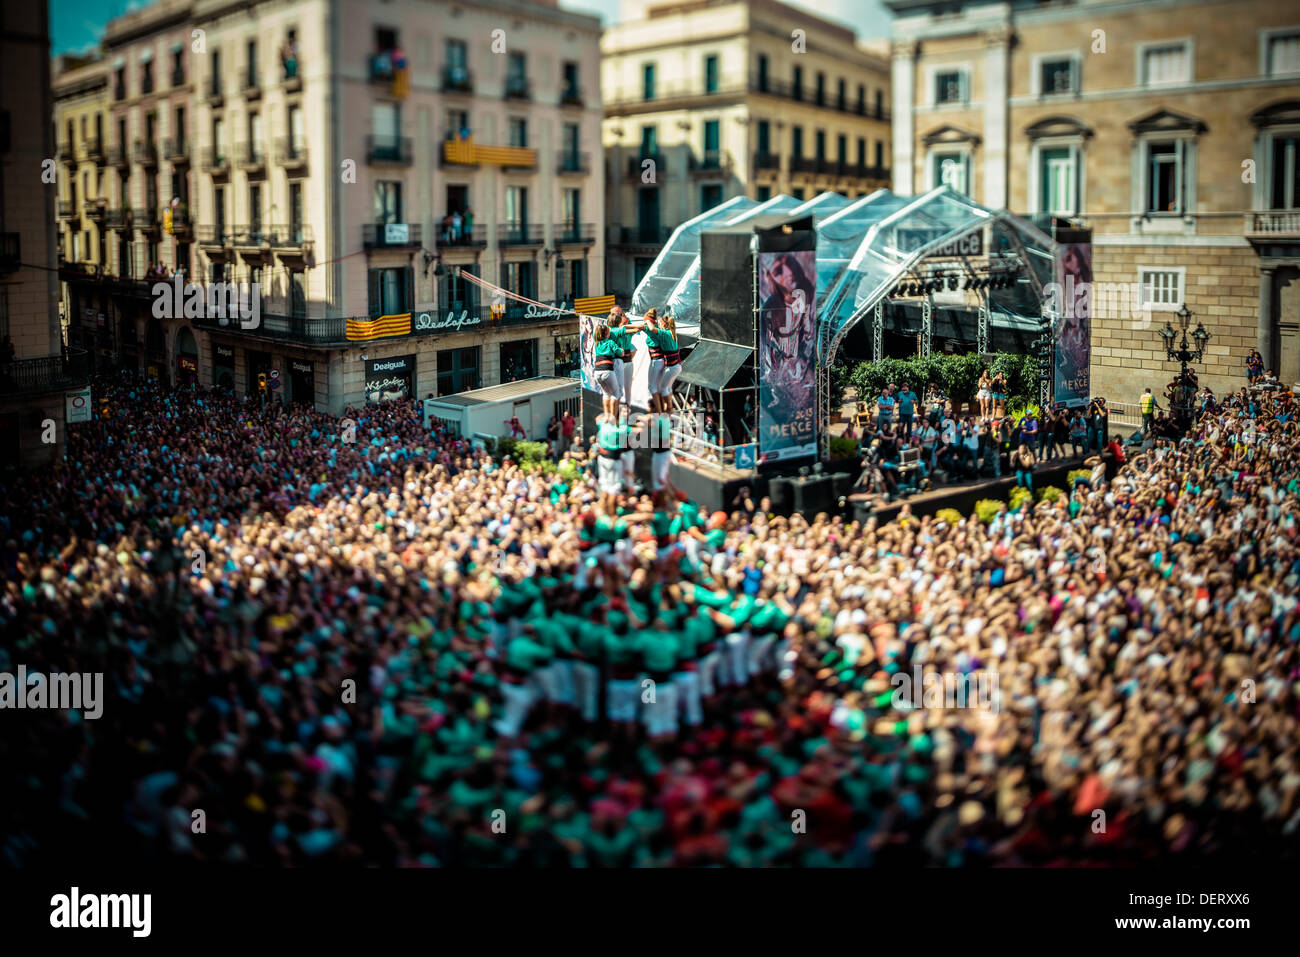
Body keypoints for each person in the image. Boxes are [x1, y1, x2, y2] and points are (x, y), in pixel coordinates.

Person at [592, 323, 621, 418]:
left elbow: (595, 333)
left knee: (606, 394)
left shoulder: (596, 342)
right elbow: (620, 353)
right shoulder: (610, 342)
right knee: (616, 394)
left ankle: (606, 417)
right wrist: (622, 349)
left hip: (597, 372)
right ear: (606, 334)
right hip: (607, 371)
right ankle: (612, 418)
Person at [656, 313, 682, 412]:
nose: (658, 325)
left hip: (672, 367)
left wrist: (648, 322)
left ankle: (670, 408)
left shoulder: (665, 334)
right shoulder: (672, 332)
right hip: (676, 366)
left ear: (664, 324)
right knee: (668, 387)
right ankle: (668, 407)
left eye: (659, 324)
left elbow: (652, 329)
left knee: (662, 388)